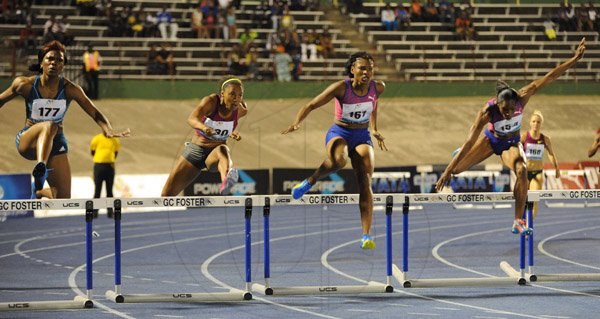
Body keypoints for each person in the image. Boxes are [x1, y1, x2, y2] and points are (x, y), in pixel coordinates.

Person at [435, 38, 586, 236]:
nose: (508, 113)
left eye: (511, 109)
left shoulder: (522, 97)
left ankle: (517, 220)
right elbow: (469, 141)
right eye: (504, 110)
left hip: (511, 144)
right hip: (490, 141)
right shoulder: (486, 113)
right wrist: (447, 171)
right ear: (497, 105)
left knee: (521, 169)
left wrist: (574, 59)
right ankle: (458, 160)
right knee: (455, 171)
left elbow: (550, 77)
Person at [281, 52, 387, 250]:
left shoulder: (377, 87)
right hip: (340, 132)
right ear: (352, 70)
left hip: (362, 135)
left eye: (370, 69)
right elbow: (311, 104)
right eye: (362, 68)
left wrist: (373, 129)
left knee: (365, 181)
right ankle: (310, 181)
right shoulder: (341, 87)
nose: (367, 72)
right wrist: (296, 123)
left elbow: (373, 106)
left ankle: (366, 235)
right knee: (339, 160)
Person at [0, 40, 130, 199]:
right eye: (50, 59)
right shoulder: (24, 84)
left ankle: (39, 191)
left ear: (63, 66)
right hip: (29, 141)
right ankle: (41, 169)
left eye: (59, 60)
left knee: (62, 198)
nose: (54, 63)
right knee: (49, 125)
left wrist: (107, 128)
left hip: (56, 142)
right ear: (41, 63)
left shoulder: (71, 89)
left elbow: (95, 112)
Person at [161, 77, 247, 197]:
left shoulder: (241, 110)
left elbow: (225, 124)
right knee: (166, 196)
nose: (236, 99)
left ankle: (226, 182)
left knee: (223, 150)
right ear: (222, 94)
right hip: (196, 151)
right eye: (232, 94)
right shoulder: (211, 102)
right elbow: (191, 118)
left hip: (214, 155)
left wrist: (232, 132)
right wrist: (204, 128)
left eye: (240, 95)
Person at [520, 110, 560, 219]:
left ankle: (530, 227)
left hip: (537, 173)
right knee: (523, 200)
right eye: (533, 121)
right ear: (530, 123)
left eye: (538, 122)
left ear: (541, 123)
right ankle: (523, 221)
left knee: (534, 200)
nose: (535, 124)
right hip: (524, 173)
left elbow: (551, 154)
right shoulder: (524, 137)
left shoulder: (545, 139)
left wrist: (557, 168)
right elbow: (516, 152)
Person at [90, 132, 120, 218]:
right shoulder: (97, 139)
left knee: (109, 191)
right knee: (97, 190)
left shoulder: (115, 140)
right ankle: (94, 212)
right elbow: (93, 151)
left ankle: (110, 212)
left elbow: (116, 152)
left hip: (110, 166)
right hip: (99, 165)